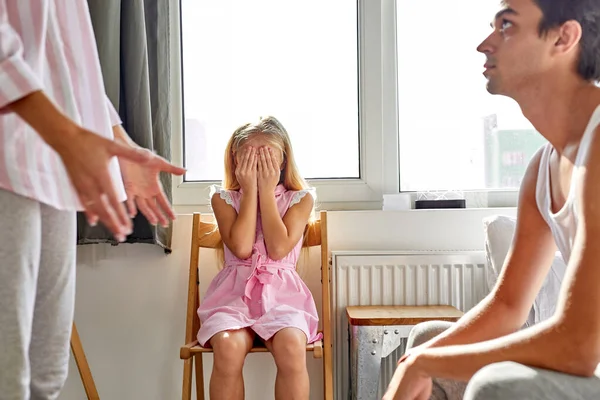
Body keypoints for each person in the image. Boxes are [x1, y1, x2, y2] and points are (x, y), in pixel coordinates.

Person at [383, 0, 600, 399]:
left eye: (506, 25)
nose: (485, 44)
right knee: (427, 339)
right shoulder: (543, 167)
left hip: (589, 360)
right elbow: (507, 307)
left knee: (493, 385)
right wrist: (418, 360)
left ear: (564, 37)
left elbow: (579, 346)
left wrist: (427, 363)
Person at [0, 1, 185, 399]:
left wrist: (117, 141)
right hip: (9, 155)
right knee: (7, 375)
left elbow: (64, 56)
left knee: (45, 374)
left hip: (51, 161)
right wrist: (71, 139)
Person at [197, 116, 320, 400]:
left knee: (291, 347)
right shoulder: (223, 199)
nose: (258, 164)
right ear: (236, 161)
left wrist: (267, 191)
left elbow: (278, 249)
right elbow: (241, 247)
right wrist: (250, 190)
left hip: (284, 297)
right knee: (227, 348)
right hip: (232, 297)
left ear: (282, 161)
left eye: (266, 157)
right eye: (250, 157)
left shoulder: (301, 199)